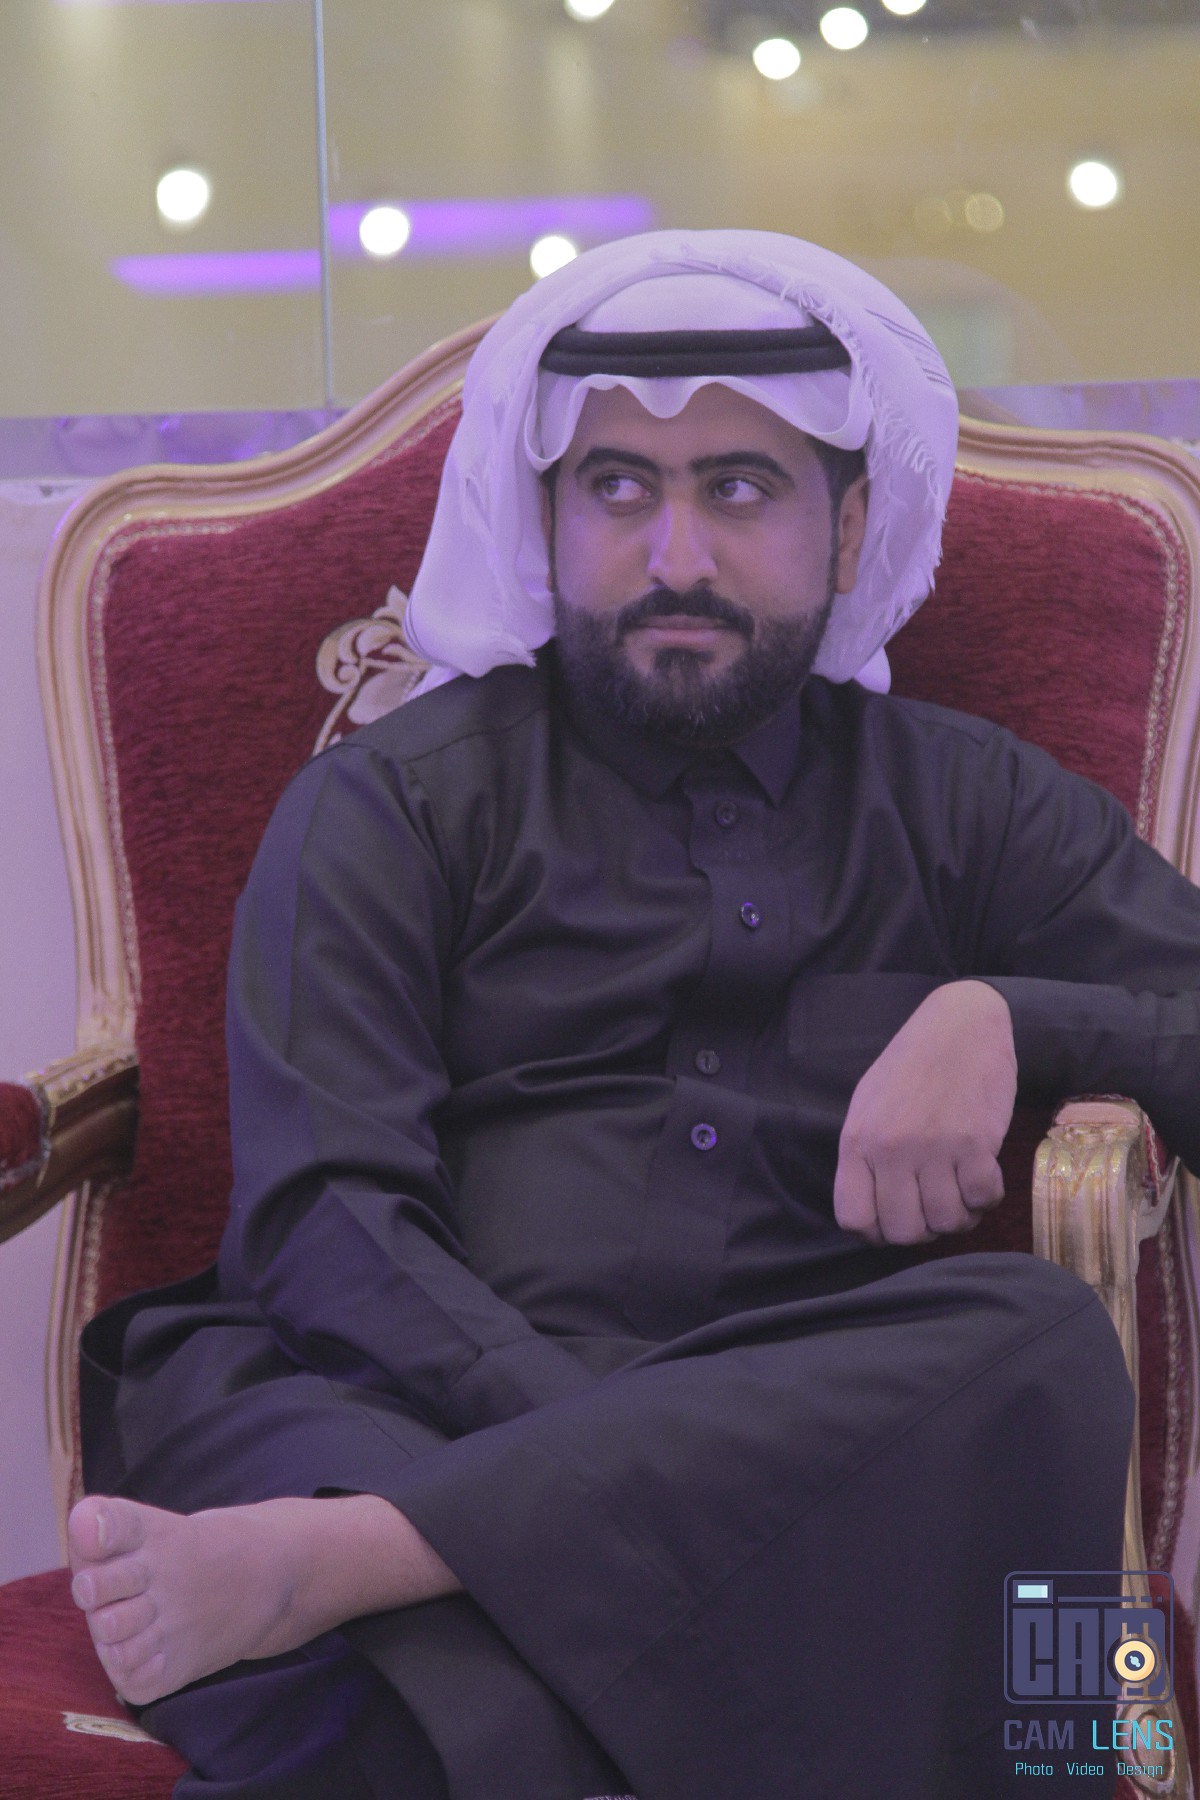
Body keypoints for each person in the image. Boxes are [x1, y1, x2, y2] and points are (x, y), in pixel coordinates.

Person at [64, 230, 1199, 1799]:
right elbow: (326, 1222)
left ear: (847, 522)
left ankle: (372, 1561)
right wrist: (626, 1455)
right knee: (513, 1679)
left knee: (1041, 1345)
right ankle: (425, 1558)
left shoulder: (965, 804)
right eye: (616, 488)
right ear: (546, 517)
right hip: (377, 1393)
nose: (675, 556)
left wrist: (1014, 1019)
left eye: (737, 489)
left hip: (783, 1394)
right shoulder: (392, 805)